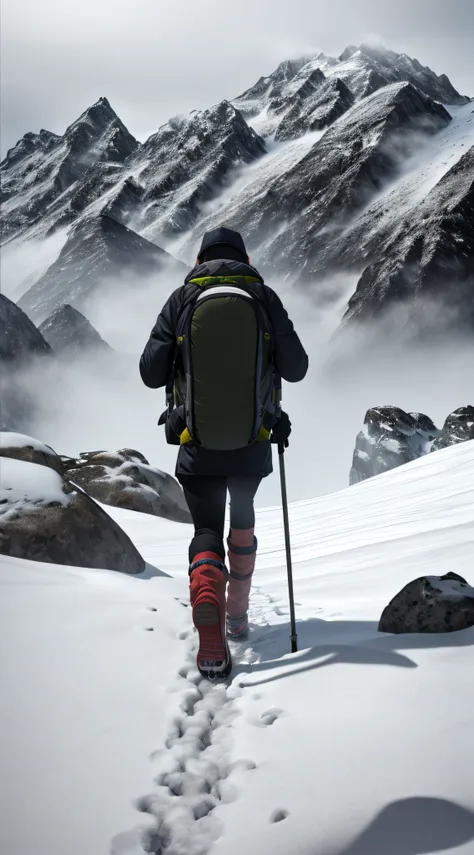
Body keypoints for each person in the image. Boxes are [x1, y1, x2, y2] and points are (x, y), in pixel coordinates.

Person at [140, 226, 308, 678]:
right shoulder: (264, 298)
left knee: (206, 528)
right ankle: (235, 614)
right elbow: (297, 368)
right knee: (244, 512)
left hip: (196, 443)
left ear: (199, 261)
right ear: (245, 259)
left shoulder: (180, 300)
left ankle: (209, 603)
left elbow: (150, 374)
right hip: (253, 441)